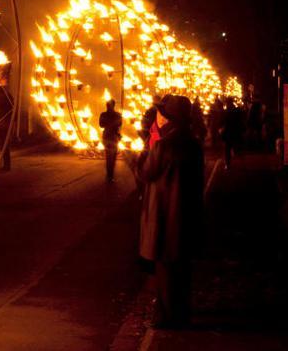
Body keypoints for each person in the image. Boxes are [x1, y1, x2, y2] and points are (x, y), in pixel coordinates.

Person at [136, 95, 204, 328]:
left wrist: (139, 155)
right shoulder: (193, 144)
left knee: (165, 267)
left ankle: (166, 315)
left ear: (170, 119)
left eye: (163, 115)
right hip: (187, 214)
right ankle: (182, 311)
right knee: (182, 267)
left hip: (165, 215)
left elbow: (146, 173)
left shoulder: (164, 146)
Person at [99, 99, 123, 182]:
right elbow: (119, 125)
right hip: (113, 137)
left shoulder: (103, 114)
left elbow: (101, 125)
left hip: (107, 137)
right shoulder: (117, 115)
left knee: (109, 157)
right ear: (114, 105)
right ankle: (110, 175)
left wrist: (108, 124)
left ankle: (109, 175)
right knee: (112, 157)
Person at [220, 97, 245, 168]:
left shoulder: (227, 111)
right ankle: (239, 163)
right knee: (235, 147)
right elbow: (240, 120)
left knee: (227, 148)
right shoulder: (236, 110)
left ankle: (228, 163)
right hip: (235, 131)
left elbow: (223, 121)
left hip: (229, 131)